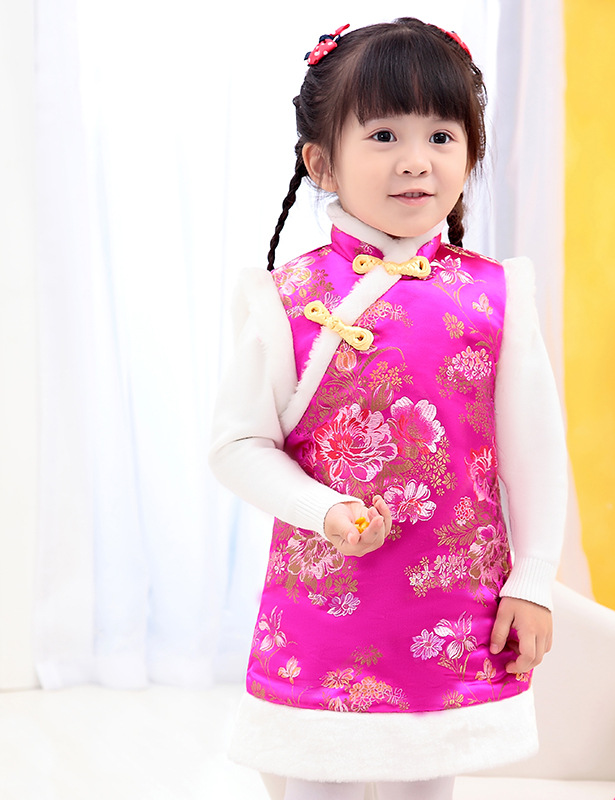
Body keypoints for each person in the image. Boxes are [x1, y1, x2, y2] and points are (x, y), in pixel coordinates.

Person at [209, 17, 567, 800]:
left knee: (426, 778)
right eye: (382, 135)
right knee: (313, 776)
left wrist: (534, 578)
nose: (416, 160)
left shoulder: (498, 295)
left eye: (442, 136)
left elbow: (536, 454)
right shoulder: (285, 298)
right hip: (323, 606)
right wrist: (323, 509)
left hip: (451, 609)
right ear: (321, 162)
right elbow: (237, 445)